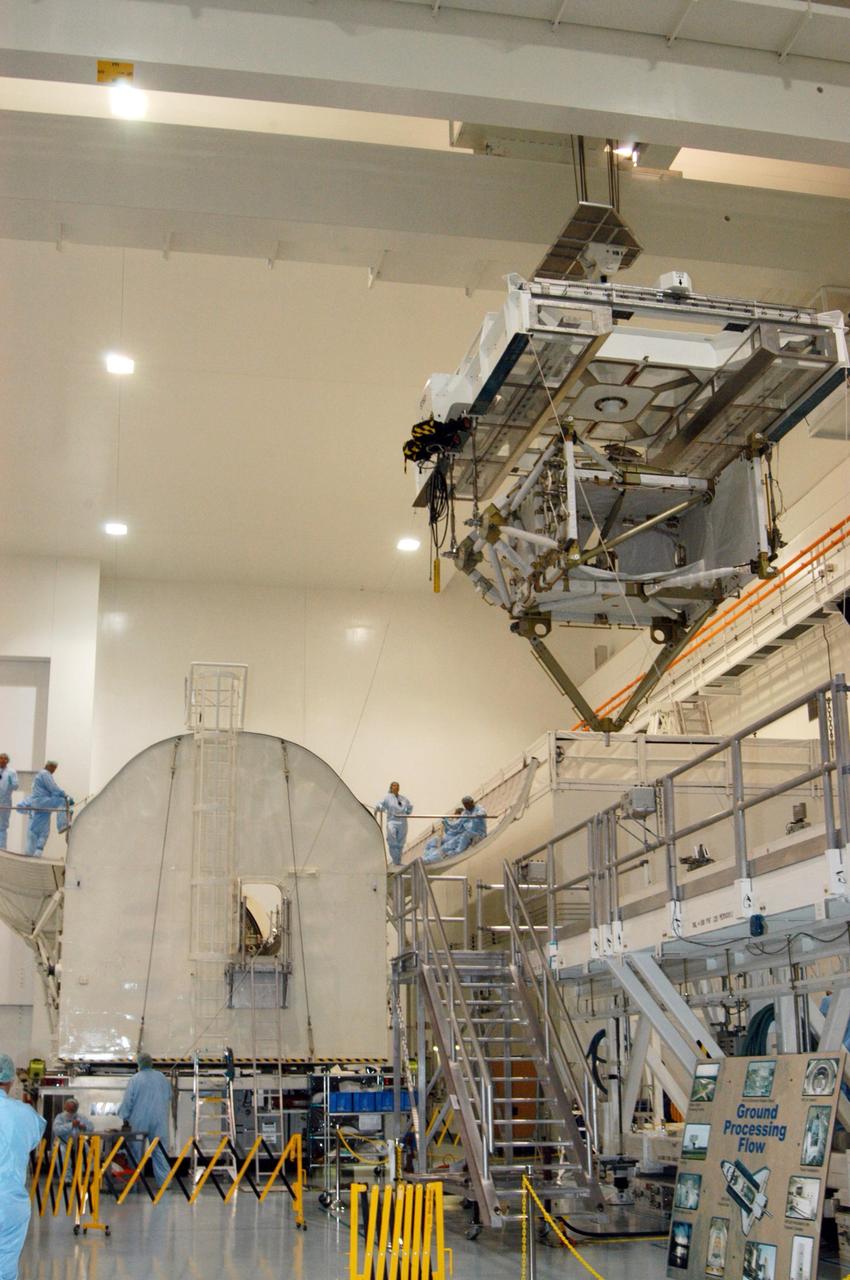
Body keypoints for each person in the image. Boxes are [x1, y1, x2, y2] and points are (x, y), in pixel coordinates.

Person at [0, 1052, 46, 1280]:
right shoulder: (24, 1114)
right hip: (10, 1203)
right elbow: (35, 1137)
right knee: (5, 1266)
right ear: (10, 1080)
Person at [118, 1053, 171, 1185]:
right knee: (160, 1151)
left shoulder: (135, 1079)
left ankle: (134, 1183)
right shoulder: (162, 1078)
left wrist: (123, 1116)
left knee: (136, 1153)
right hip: (159, 1120)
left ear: (139, 1064)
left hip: (139, 1121)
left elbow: (128, 1101)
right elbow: (169, 1095)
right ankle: (164, 1183)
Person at [19, 762, 73, 857]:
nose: (54, 770)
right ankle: (62, 825)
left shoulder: (41, 779)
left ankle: (36, 855)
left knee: (44, 834)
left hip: (43, 812)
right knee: (62, 801)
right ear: (49, 766)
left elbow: (53, 792)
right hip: (41, 803)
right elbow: (54, 788)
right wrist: (65, 796)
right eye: (54, 768)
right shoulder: (45, 774)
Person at [423, 796, 487, 864]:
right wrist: (446, 821)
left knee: (464, 836)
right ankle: (429, 859)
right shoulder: (465, 813)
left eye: (467, 804)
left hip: (478, 833)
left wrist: (478, 815)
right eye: (465, 805)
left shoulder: (478, 808)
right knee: (449, 844)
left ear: (472, 802)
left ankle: (457, 853)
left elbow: (483, 812)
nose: (466, 807)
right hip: (467, 834)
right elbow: (455, 825)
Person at [374, 782, 414, 866]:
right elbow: (379, 804)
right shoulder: (387, 797)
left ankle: (398, 862)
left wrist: (408, 811)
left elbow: (409, 808)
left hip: (402, 822)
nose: (396, 787)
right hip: (392, 820)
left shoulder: (403, 799)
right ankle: (396, 861)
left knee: (400, 842)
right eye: (394, 786)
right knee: (392, 839)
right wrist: (380, 808)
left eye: (397, 786)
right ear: (391, 787)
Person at [0, 756, 18, 850]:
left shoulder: (11, 772)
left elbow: (16, 786)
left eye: (4, 759)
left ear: (7, 760)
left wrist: (12, 783)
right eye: (0, 758)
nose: (2, 760)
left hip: (5, 802)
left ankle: (2, 848)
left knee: (2, 826)